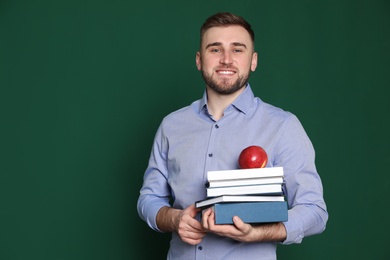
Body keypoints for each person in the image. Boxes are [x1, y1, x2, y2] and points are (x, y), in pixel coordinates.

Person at [137, 12, 328, 259]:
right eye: (215, 49)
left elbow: (315, 211)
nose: (226, 59)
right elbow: (149, 198)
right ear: (199, 59)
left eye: (237, 50)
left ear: (253, 60)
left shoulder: (283, 126)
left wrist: (259, 233)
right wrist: (173, 218)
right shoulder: (171, 125)